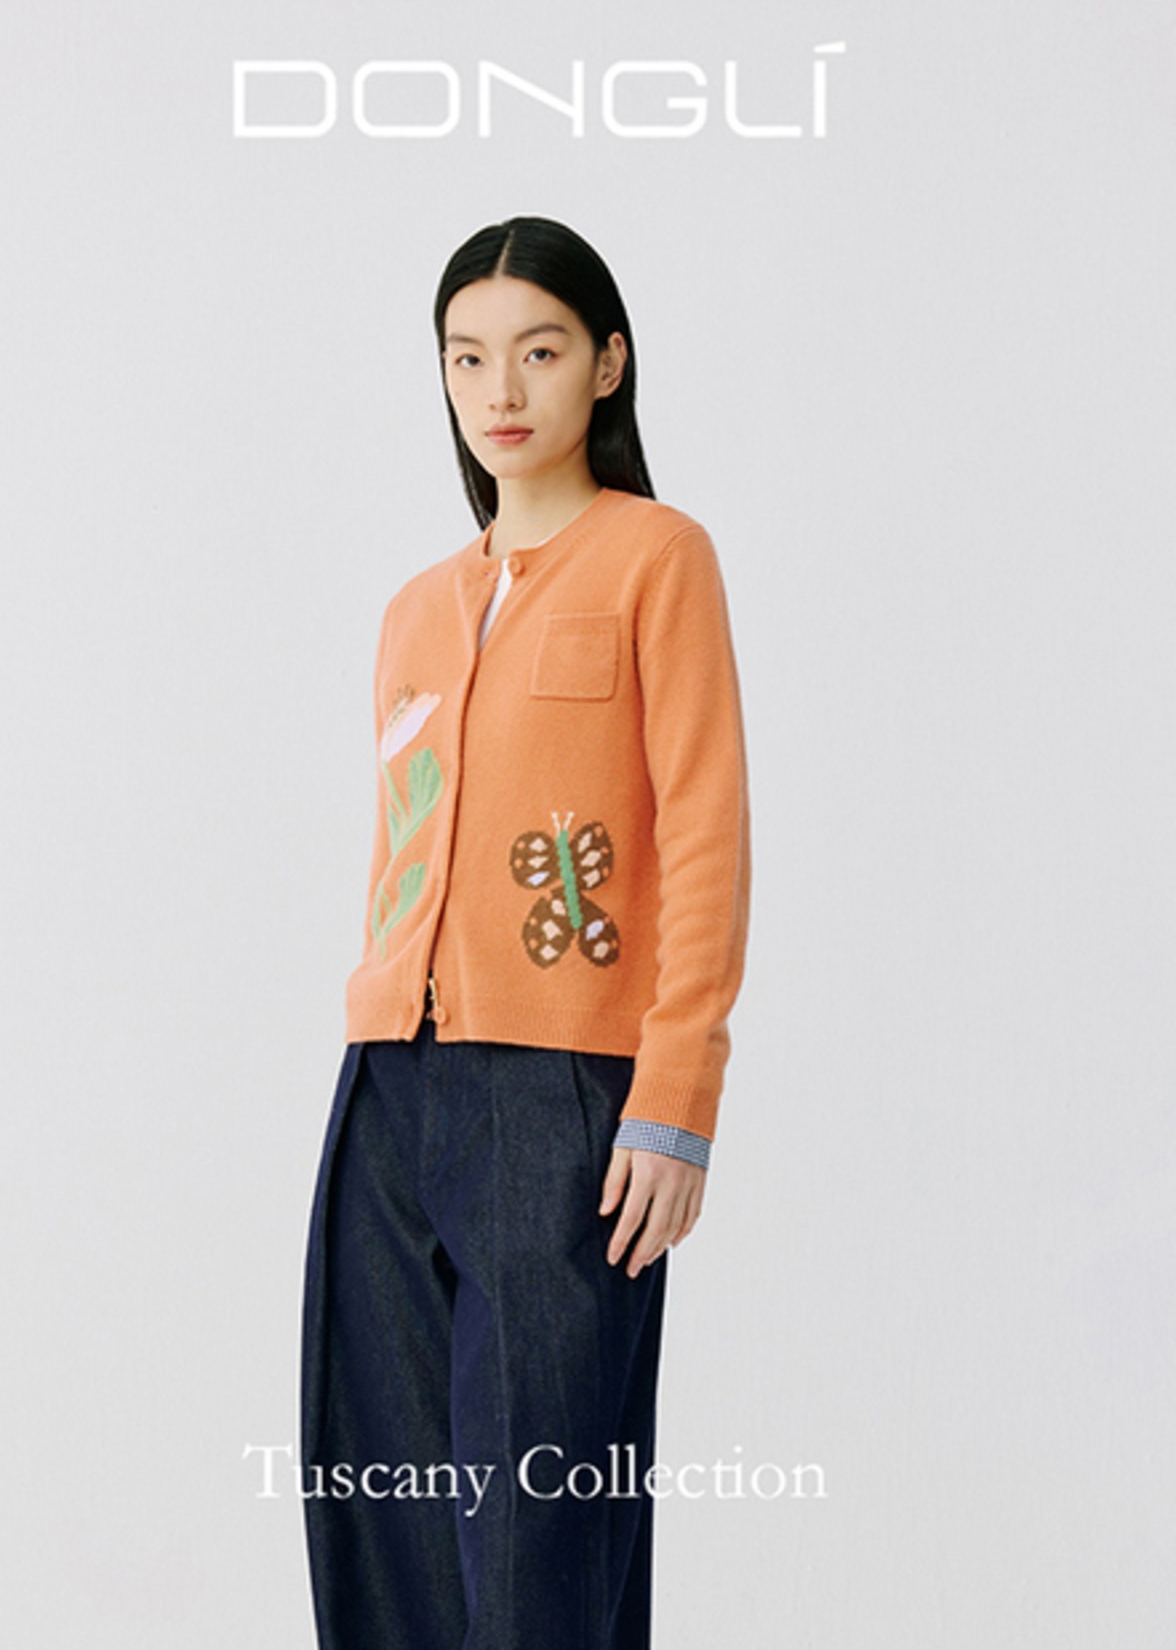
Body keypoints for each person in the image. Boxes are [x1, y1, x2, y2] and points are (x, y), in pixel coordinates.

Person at [299, 215, 751, 1649]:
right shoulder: (416, 608)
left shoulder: (657, 558)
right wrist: (378, 1017)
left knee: (539, 1525)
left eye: (539, 352)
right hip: (391, 1080)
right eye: (468, 358)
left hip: (561, 1091)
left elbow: (704, 829)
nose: (500, 389)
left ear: (607, 364)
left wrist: (674, 1098)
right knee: (379, 1504)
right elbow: (402, 842)